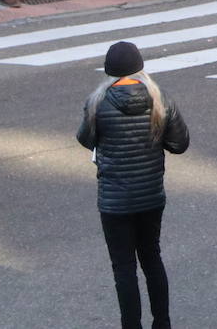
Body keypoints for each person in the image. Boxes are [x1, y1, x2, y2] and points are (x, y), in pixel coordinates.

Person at [76, 40, 189, 329]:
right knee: (152, 258)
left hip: (114, 203)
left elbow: (85, 139)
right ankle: (162, 323)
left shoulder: (98, 102)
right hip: (151, 196)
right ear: (140, 68)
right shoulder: (159, 98)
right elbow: (180, 144)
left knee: (123, 268)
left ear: (108, 72)